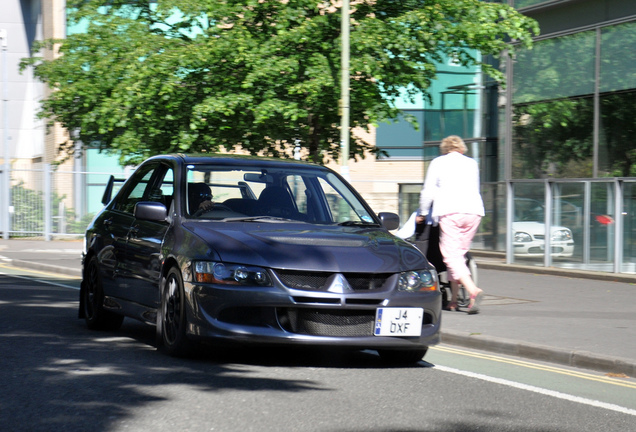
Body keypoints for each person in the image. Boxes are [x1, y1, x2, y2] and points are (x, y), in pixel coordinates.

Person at [418, 135, 485, 314]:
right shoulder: (472, 163)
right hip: (474, 212)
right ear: (461, 149)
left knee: (450, 256)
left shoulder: (438, 162)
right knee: (458, 257)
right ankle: (454, 301)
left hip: (451, 211)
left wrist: (423, 212)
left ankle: (472, 290)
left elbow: (428, 190)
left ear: (444, 149)